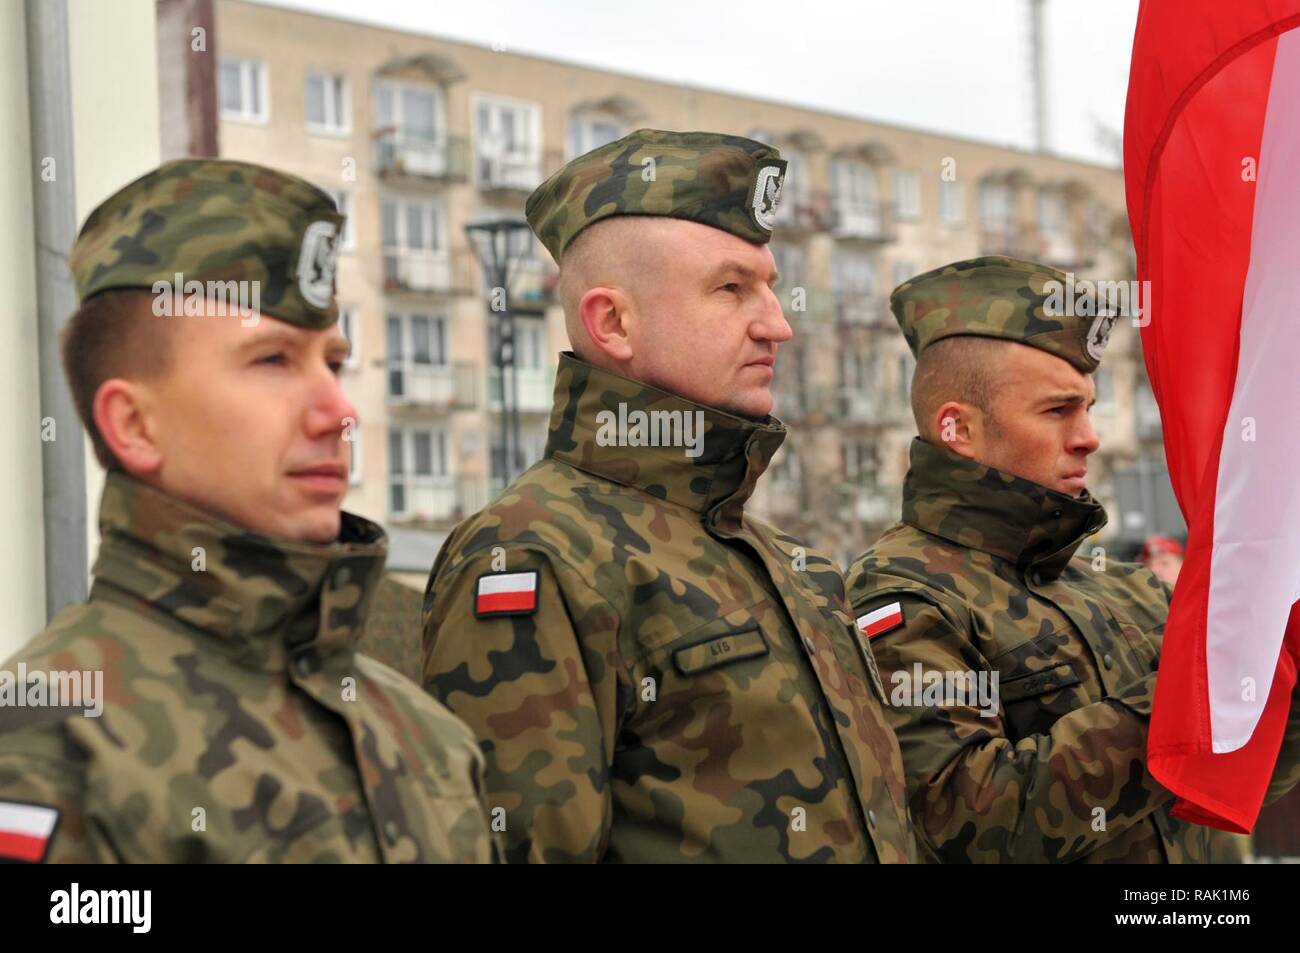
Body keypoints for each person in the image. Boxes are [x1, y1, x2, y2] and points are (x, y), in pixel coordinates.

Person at [422, 129, 916, 863]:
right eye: (731, 288)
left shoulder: (792, 567)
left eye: (772, 285)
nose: (777, 323)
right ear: (612, 322)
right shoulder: (532, 555)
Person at [0, 159, 496, 863]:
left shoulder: (423, 733)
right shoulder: (46, 742)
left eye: (333, 362)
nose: (338, 410)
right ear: (134, 424)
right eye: (272, 361)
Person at [847, 256, 1300, 862]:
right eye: (1058, 410)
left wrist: (1281, 672)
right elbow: (966, 819)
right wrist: (1178, 705)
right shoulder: (900, 595)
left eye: (1088, 407)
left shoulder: (1127, 590)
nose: (1089, 435)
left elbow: (1239, 775)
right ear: (957, 428)